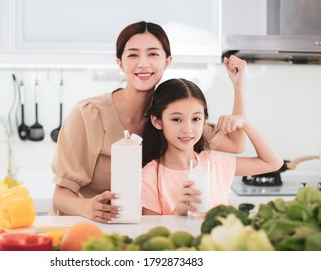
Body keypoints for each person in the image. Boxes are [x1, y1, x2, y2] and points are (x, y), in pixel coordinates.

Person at [51, 21, 247, 223]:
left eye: (153, 54)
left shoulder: (171, 116)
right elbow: (60, 195)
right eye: (133, 55)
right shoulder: (90, 114)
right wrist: (86, 207)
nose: (143, 63)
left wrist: (238, 87)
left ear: (167, 61)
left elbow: (236, 143)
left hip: (141, 232)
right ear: (120, 62)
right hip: (87, 228)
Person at [141, 78, 283, 216]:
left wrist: (245, 124)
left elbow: (273, 163)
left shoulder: (215, 163)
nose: (188, 129)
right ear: (157, 121)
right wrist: (176, 213)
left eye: (196, 119)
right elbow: (150, 234)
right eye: (176, 119)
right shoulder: (148, 177)